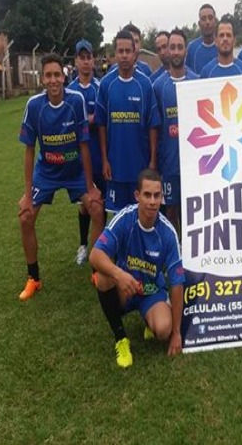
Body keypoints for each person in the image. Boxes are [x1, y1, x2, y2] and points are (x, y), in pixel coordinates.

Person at [17, 53, 104, 301]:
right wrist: (27, 193)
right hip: (46, 172)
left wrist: (90, 186)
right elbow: (29, 150)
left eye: (57, 74)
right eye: (49, 75)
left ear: (64, 77)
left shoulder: (76, 101)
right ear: (42, 79)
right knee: (25, 217)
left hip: (75, 171)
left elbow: (84, 145)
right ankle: (34, 278)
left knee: (97, 209)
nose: (54, 80)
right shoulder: (34, 105)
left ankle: (96, 270)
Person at [90, 169, 184, 368]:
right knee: (103, 277)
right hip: (125, 287)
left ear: (162, 197)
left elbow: (177, 283)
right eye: (147, 195)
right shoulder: (125, 219)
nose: (152, 201)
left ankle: (150, 320)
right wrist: (119, 274)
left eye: (157, 196)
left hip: (150, 291)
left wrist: (176, 333)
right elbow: (95, 255)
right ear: (137, 196)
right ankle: (121, 339)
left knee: (163, 330)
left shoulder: (167, 233)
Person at [95, 30, 160, 213]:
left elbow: (153, 125)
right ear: (115, 54)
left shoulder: (145, 84)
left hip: (139, 166)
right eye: (120, 51)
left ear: (135, 54)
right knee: (116, 217)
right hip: (115, 166)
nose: (124, 55)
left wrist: (153, 161)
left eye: (128, 51)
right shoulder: (106, 84)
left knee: (141, 213)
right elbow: (101, 125)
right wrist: (105, 160)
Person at [153, 28, 199, 234]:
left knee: (194, 212)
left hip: (196, 164)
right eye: (173, 47)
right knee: (171, 212)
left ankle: (194, 257)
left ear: (186, 51)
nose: (176, 51)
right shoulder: (158, 86)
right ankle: (176, 254)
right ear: (168, 51)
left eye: (180, 47)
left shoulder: (198, 82)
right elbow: (155, 129)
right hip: (169, 164)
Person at [67, 39, 105, 266]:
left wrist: (87, 120)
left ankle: (101, 250)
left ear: (93, 59)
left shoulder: (100, 88)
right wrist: (86, 121)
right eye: (81, 57)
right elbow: (67, 123)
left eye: (88, 57)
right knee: (85, 205)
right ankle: (83, 245)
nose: (85, 61)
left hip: (99, 156)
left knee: (101, 203)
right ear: (76, 61)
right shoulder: (69, 91)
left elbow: (102, 121)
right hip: (79, 159)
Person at [186, 3, 218, 75]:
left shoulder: (223, 46)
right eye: (204, 19)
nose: (207, 22)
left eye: (210, 18)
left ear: (215, 21)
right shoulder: (192, 48)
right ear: (199, 23)